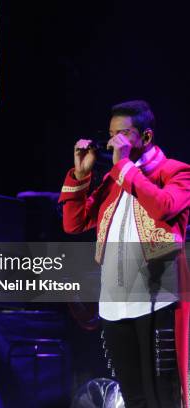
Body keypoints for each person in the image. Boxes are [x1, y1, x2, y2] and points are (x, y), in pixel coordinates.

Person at [59, 100, 190, 407]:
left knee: (164, 395)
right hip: (115, 304)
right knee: (134, 398)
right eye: (111, 134)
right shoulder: (112, 181)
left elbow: (165, 206)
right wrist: (81, 176)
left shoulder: (176, 172)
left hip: (158, 300)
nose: (114, 142)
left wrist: (125, 168)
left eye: (124, 134)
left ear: (145, 137)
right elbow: (74, 223)